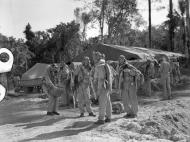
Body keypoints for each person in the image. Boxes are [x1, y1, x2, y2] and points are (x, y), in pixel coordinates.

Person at [93, 52, 112, 124]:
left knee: (102, 103)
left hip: (102, 86)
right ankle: (109, 117)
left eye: (95, 56)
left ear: (98, 57)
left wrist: (98, 89)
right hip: (106, 86)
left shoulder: (100, 65)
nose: (94, 58)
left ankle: (101, 119)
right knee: (107, 102)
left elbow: (100, 78)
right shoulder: (104, 64)